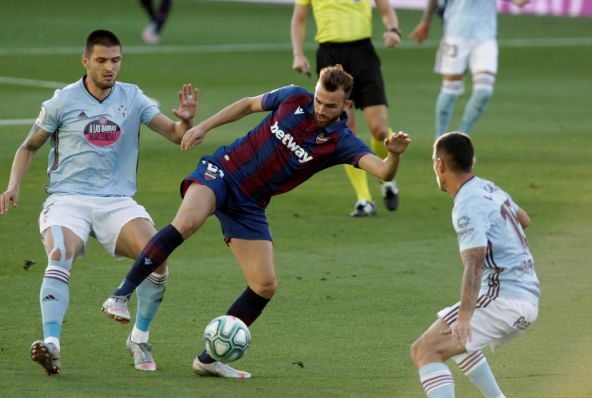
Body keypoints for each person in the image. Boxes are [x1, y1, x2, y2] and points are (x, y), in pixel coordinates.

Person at [101, 65, 411, 378]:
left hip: (250, 204)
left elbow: (384, 172)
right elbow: (249, 104)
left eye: (330, 105)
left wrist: (394, 155)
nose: (320, 108)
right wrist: (203, 126)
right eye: (318, 99)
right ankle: (120, 295)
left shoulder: (342, 141)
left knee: (264, 284)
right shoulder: (293, 98)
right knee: (188, 223)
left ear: (345, 106)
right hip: (223, 171)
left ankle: (208, 359)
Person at [0, 29, 198, 375]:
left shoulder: (133, 98)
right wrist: (13, 185)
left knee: (158, 256)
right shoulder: (62, 101)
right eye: (102, 60)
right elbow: (28, 147)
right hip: (66, 200)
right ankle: (52, 345)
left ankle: (139, 338)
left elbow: (177, 136)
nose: (109, 68)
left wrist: (186, 120)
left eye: (115, 60)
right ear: (86, 61)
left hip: (116, 201)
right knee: (59, 253)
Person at [410, 132, 540, 397]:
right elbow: (523, 219)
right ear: (473, 161)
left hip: (504, 298)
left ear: (440, 164)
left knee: (425, 350)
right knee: (457, 339)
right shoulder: (488, 187)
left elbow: (475, 264)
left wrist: (466, 317)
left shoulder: (468, 204)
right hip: (524, 293)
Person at [291, 0, 402, 217]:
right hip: (330, 56)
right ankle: (364, 199)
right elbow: (299, 18)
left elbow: (386, 8)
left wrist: (393, 29)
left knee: (379, 129)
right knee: (346, 129)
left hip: (363, 53)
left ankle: (387, 175)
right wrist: (298, 53)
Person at [410, 0, 530, 138]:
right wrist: (425, 21)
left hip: (485, 37)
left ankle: (462, 138)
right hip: (456, 33)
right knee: (450, 90)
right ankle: (440, 141)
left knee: (484, 92)